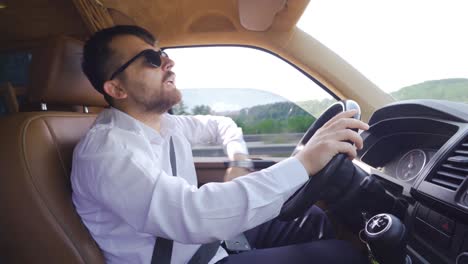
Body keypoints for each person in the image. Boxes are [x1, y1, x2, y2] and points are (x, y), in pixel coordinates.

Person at [71, 25, 370, 264]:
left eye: (162, 52)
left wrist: (238, 162)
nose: (168, 61)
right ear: (117, 88)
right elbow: (193, 216)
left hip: (205, 244)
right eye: (151, 59)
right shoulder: (106, 152)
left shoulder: (165, 124)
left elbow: (221, 125)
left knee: (312, 219)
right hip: (191, 254)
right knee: (341, 256)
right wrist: (304, 163)